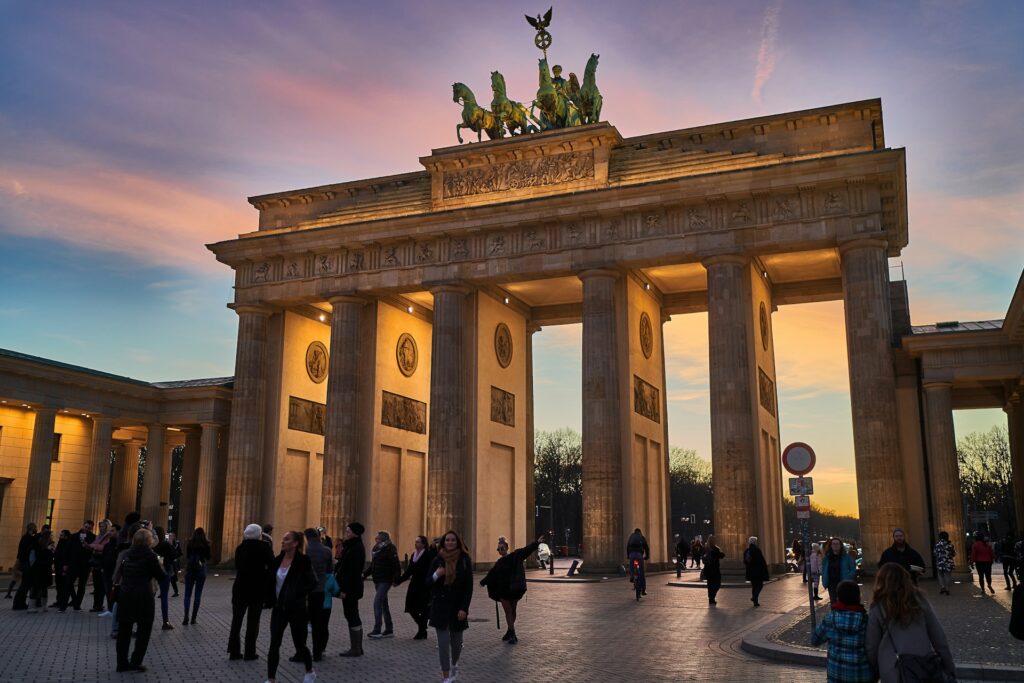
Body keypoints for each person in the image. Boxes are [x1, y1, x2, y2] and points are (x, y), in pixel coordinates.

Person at [865, 563, 955, 683]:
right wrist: (949, 666)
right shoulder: (920, 600)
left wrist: (875, 670)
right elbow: (938, 636)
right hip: (922, 664)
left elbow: (872, 645)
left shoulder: (877, 607)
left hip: (892, 668)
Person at [265, 530, 317, 683]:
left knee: (300, 644)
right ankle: (271, 679)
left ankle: (309, 671)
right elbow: (269, 582)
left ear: (295, 543)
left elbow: (313, 582)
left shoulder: (303, 561)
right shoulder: (276, 560)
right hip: (279, 608)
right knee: (274, 643)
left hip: (297, 609)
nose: (283, 541)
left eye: (286, 539)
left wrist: (298, 593)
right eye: (283, 539)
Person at [114, 528, 165, 673]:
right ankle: (136, 661)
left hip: (125, 595)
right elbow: (161, 576)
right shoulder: (150, 555)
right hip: (144, 596)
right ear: (149, 541)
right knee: (144, 630)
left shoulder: (126, 554)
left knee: (124, 631)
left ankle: (121, 663)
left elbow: (120, 573)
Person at [428, 530, 473, 683]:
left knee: (457, 644)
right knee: (443, 643)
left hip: (457, 607)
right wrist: (436, 575)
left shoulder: (464, 559)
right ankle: (446, 676)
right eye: (447, 540)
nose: (450, 543)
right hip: (440, 607)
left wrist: (464, 608)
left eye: (453, 540)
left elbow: (468, 587)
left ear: (458, 542)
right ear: (443, 542)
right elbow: (427, 582)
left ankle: (455, 665)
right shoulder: (437, 559)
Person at [480, 535, 543, 644]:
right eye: (498, 549)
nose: (500, 551)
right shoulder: (499, 563)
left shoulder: (516, 556)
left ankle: (510, 631)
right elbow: (491, 574)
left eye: (502, 548)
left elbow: (526, 550)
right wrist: (483, 582)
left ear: (507, 548)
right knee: (508, 611)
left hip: (514, 589)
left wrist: (536, 543)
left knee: (513, 610)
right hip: (503, 591)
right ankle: (513, 634)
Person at [228, 523, 275, 661]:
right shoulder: (264, 548)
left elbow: (237, 566)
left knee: (236, 621)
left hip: (240, 588)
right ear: (259, 534)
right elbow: (272, 566)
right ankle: (250, 652)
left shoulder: (240, 548)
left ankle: (234, 651)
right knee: (253, 622)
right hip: (257, 589)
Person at [811, 580, 873, 683]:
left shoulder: (830, 619)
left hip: (836, 676)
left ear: (838, 598)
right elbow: (873, 648)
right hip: (861, 676)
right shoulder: (867, 621)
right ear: (858, 597)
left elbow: (815, 640)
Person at [300, 527, 333, 661]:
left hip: (304, 591)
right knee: (318, 623)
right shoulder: (326, 551)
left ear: (306, 537)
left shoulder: (304, 551)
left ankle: (301, 652)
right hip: (320, 590)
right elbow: (329, 570)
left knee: (302, 622)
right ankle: (318, 652)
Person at [335, 522, 367, 657]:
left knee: (352, 615)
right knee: (352, 614)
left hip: (351, 589)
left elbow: (352, 573)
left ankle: (356, 648)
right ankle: (357, 647)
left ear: (355, 533)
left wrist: (344, 590)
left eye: (348, 531)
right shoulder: (352, 546)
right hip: (351, 587)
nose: (346, 533)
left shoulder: (355, 548)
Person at [394, 535, 435, 639]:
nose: (416, 543)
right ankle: (422, 627)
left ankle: (422, 631)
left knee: (424, 609)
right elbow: (409, 571)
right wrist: (398, 581)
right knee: (411, 608)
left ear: (423, 544)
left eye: (418, 542)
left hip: (425, 585)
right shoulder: (414, 555)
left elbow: (432, 569)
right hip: (415, 585)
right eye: (415, 541)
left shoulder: (428, 555)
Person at [363, 530, 401, 639]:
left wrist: (396, 579)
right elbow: (373, 565)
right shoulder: (376, 549)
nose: (376, 540)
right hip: (377, 579)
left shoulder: (390, 548)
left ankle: (377, 629)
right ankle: (389, 629)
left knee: (377, 602)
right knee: (384, 604)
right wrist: (365, 574)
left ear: (383, 539)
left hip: (385, 580)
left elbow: (396, 564)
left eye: (378, 538)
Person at [63, 519, 96, 611]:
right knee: (68, 583)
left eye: (89, 528)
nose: (86, 529)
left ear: (91, 528)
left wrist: (88, 546)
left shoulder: (93, 537)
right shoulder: (74, 536)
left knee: (82, 586)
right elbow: (68, 550)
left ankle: (77, 605)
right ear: (83, 526)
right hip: (73, 564)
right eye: (86, 527)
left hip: (85, 565)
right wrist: (66, 563)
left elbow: (94, 551)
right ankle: (65, 604)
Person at [182, 527, 211, 625]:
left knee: (187, 595)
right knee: (197, 595)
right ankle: (193, 618)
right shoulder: (205, 544)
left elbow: (187, 556)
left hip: (190, 569)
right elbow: (208, 557)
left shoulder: (190, 543)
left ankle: (186, 616)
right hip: (201, 570)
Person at [86, 520, 117, 611]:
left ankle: (101, 605)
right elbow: (95, 546)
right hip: (96, 562)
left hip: (102, 563)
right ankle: (97, 605)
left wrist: (92, 546)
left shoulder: (108, 537)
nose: (100, 528)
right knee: (97, 586)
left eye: (103, 526)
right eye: (100, 526)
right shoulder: (99, 536)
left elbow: (104, 547)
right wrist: (89, 546)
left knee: (102, 586)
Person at [152, 526, 175, 630]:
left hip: (152, 572)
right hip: (165, 572)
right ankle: (165, 622)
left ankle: (146, 619)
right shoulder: (166, 544)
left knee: (150, 596)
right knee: (164, 597)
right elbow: (174, 555)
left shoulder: (152, 545)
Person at [12, 522, 38, 610]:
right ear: (32, 528)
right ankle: (19, 604)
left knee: (24, 585)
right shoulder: (29, 538)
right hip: (26, 564)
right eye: (35, 528)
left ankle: (20, 603)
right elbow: (26, 551)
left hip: (24, 563)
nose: (36, 529)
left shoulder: (25, 538)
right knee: (25, 585)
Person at [823, 537, 857, 603]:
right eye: (833, 544)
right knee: (833, 602)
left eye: (837, 544)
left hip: (843, 582)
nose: (835, 545)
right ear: (831, 546)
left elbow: (853, 568)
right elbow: (824, 569)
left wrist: (848, 577)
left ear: (841, 545)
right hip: (832, 584)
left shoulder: (847, 557)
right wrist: (824, 579)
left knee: (844, 602)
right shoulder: (827, 558)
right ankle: (835, 613)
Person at [28, 529, 54, 613]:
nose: (52, 537)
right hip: (40, 569)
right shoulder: (39, 545)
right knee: (36, 587)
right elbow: (41, 556)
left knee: (43, 587)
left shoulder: (48, 545)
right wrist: (48, 550)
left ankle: (43, 606)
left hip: (43, 569)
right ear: (47, 537)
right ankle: (32, 606)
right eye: (51, 536)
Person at [744, 536, 770, 607]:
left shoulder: (747, 550)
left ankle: (755, 601)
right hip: (758, 572)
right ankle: (754, 597)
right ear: (755, 542)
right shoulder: (757, 550)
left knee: (754, 586)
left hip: (751, 572)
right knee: (760, 585)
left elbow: (745, 561)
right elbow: (761, 561)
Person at [52, 529, 73, 609]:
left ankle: (62, 602)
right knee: (59, 585)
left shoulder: (66, 544)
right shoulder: (60, 544)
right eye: (60, 535)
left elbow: (66, 556)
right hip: (58, 567)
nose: (60, 537)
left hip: (62, 568)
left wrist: (65, 567)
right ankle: (59, 601)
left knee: (62, 586)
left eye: (62, 535)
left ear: (66, 536)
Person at [626, 528, 650, 595]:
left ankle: (632, 576)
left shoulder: (631, 537)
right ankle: (643, 590)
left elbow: (627, 547)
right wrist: (647, 556)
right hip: (639, 555)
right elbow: (647, 548)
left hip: (632, 554)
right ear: (640, 532)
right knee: (641, 572)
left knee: (631, 565)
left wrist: (628, 555)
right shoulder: (642, 537)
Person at [703, 535, 724, 605]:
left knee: (710, 585)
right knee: (717, 584)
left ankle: (711, 598)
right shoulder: (715, 549)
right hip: (715, 570)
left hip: (708, 570)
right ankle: (712, 597)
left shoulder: (706, 548)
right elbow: (722, 555)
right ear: (714, 541)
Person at [933, 531, 956, 595]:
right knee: (947, 576)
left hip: (940, 562)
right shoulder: (950, 545)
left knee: (940, 575)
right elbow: (953, 554)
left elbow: (935, 554)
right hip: (948, 563)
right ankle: (947, 589)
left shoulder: (937, 545)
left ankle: (942, 586)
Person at [166, 532, 182, 597]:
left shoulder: (176, 544)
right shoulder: (166, 544)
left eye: (171, 536)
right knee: (166, 579)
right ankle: (163, 593)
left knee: (173, 579)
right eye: (169, 536)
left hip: (173, 564)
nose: (169, 537)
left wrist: (176, 558)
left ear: (174, 537)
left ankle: (176, 592)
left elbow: (180, 553)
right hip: (167, 563)